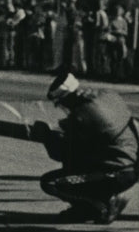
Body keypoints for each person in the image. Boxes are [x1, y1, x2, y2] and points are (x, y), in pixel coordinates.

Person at [31, 71, 138, 223]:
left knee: (51, 182)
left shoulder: (80, 117)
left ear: (67, 99)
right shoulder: (108, 95)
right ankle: (93, 203)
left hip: (112, 174)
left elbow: (62, 154)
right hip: (131, 167)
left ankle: (99, 207)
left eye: (60, 104)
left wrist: (46, 136)